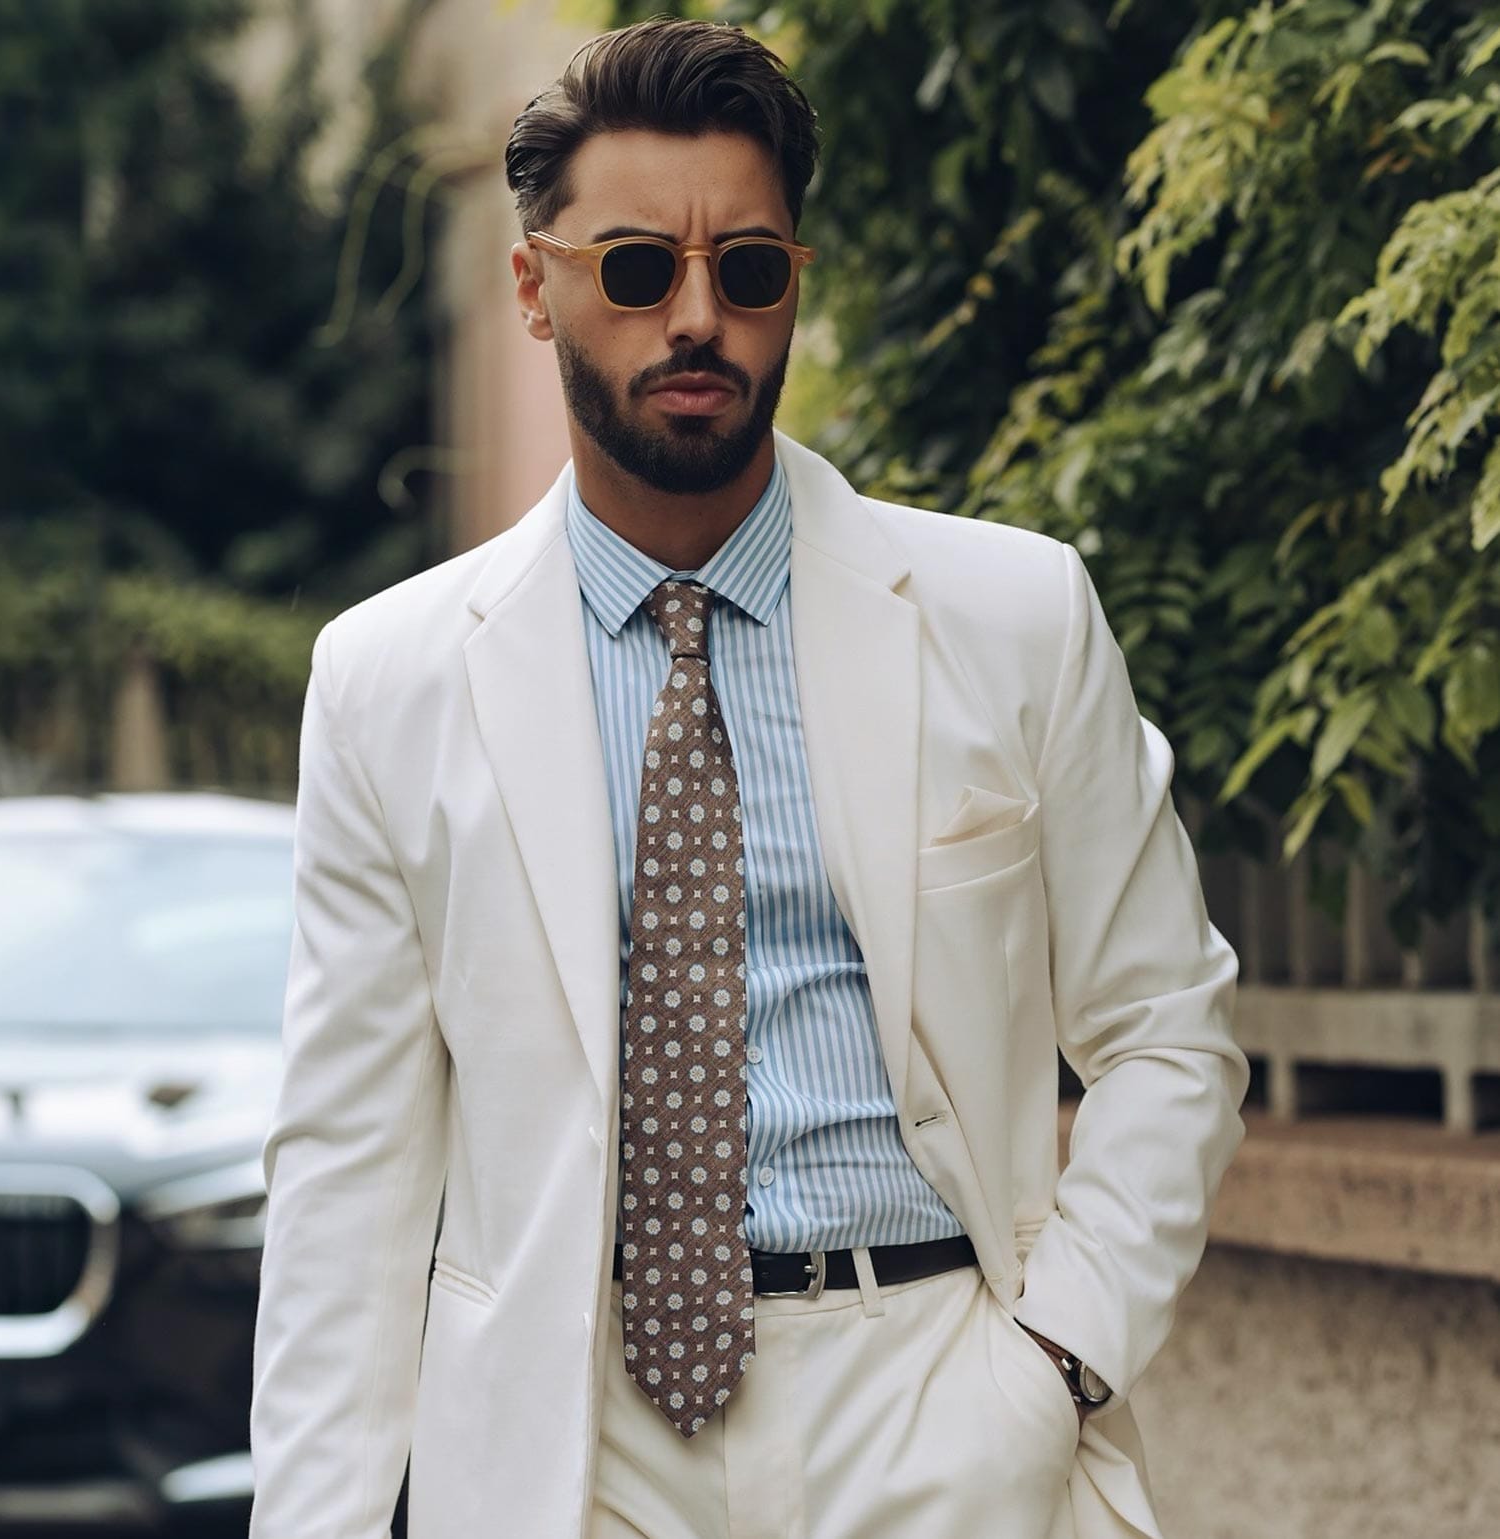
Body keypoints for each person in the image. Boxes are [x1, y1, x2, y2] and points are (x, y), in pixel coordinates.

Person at [248, 17, 1248, 1539]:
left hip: (932, 1410)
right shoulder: (390, 682)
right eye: (638, 269)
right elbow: (348, 1170)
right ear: (535, 286)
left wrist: (1054, 1364)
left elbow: (1166, 1032)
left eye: (750, 269)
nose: (697, 317)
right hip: (567, 1449)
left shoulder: (1011, 616)